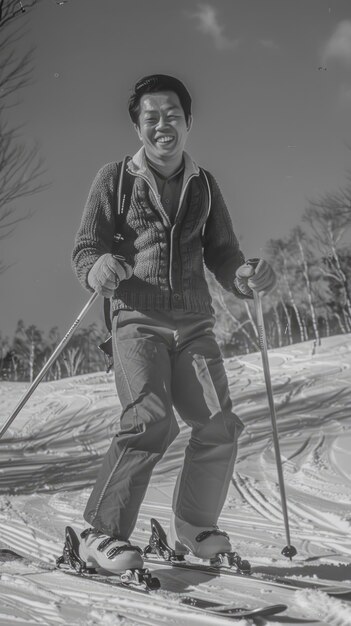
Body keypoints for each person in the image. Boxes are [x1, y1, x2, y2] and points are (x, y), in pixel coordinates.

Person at [72, 74, 276, 574]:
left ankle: (195, 527)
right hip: (136, 320)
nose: (163, 124)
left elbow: (224, 253)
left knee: (219, 423)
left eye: (173, 115)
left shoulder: (203, 184)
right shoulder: (115, 179)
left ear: (188, 122)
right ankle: (101, 534)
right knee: (150, 419)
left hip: (194, 324)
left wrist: (245, 276)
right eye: (151, 116)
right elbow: (86, 249)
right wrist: (96, 268)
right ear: (137, 126)